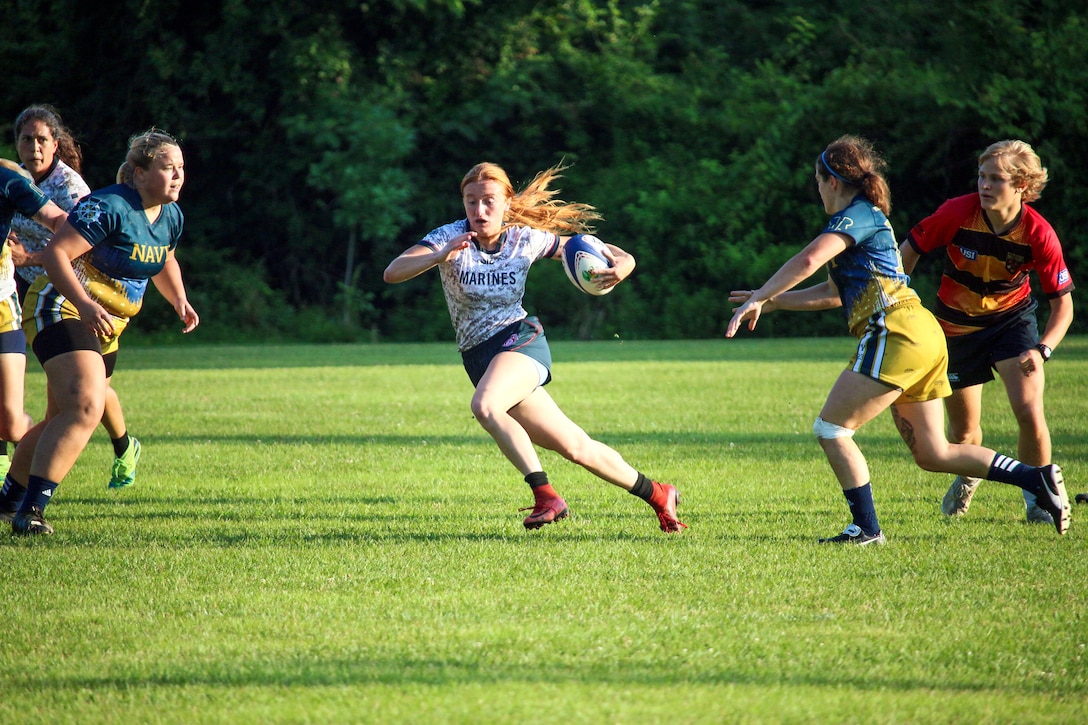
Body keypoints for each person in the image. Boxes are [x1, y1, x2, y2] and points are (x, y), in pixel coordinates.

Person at [725, 135, 1070, 544]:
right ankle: (1036, 478)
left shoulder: (856, 216)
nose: (816, 188)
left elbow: (808, 260)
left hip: (897, 332)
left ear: (832, 181)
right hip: (924, 332)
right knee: (933, 454)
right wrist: (774, 303)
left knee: (831, 429)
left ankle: (866, 529)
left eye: (817, 180)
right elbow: (833, 292)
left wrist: (761, 294)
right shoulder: (861, 220)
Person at [384, 161, 686, 533]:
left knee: (485, 405)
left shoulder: (524, 238)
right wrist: (438, 255)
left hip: (520, 341)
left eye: (489, 201)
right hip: (478, 358)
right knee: (576, 446)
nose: (479, 210)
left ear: (507, 202)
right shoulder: (449, 236)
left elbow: (585, 247)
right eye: (471, 201)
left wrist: (626, 261)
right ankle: (659, 493)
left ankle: (546, 496)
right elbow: (393, 272)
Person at [0, 130, 199, 535]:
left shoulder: (171, 215)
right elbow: (56, 254)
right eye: (167, 168)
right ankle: (31, 514)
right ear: (139, 173)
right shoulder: (107, 205)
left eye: (181, 168)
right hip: (62, 304)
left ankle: (7, 502)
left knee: (61, 417)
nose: (177, 176)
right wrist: (87, 304)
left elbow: (164, 258)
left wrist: (179, 299)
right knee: (87, 407)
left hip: (108, 324)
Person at [899, 140, 1074, 524]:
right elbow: (908, 249)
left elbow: (1063, 305)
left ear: (1022, 186)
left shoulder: (1038, 233)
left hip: (1010, 322)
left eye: (996, 178)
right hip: (955, 327)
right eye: (982, 176)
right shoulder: (957, 212)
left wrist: (1043, 348)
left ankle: (1039, 500)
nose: (985, 184)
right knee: (962, 433)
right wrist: (896, 295)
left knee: (1029, 410)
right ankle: (968, 475)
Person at [8, 105, 143, 490]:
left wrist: (27, 257)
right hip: (24, 293)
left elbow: (84, 248)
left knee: (81, 397)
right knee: (72, 398)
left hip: (69, 296)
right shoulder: (12, 180)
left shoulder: (69, 189)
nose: (33, 147)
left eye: (41, 139)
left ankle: (19, 492)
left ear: (55, 144)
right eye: (26, 139)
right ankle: (18, 490)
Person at [0, 160, 68, 490]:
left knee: (12, 424)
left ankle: (19, 462)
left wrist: (74, 250)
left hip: (2, 310)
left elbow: (61, 220)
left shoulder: (8, 181)